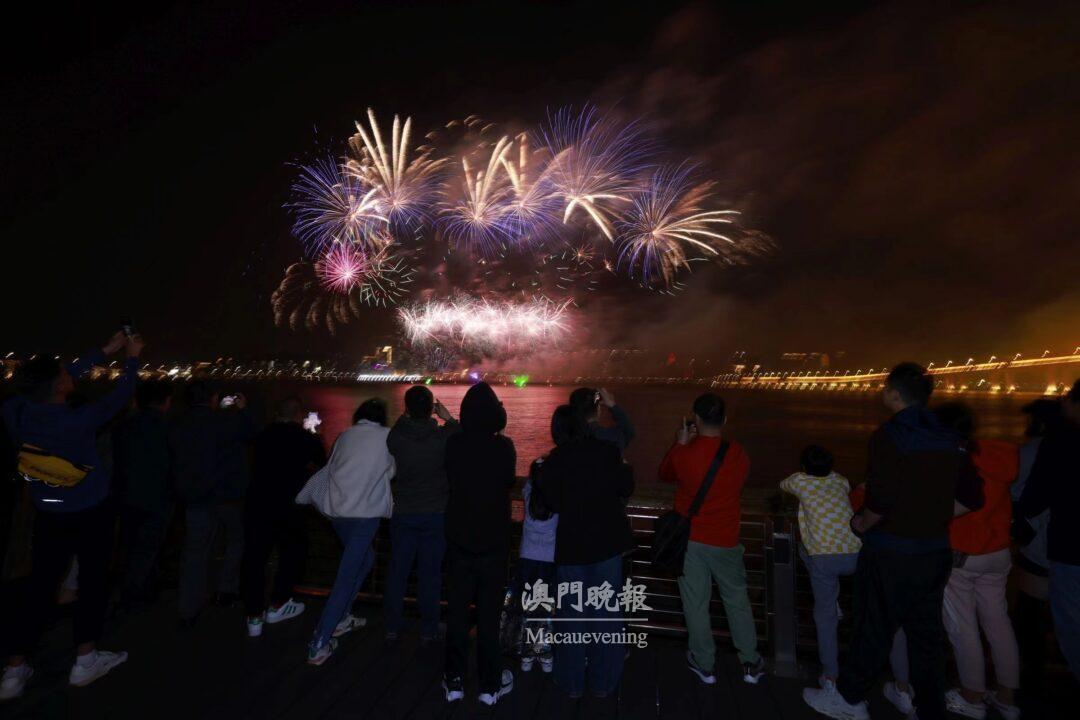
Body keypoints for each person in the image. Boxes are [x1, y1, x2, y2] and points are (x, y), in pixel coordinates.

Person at [804, 362, 984, 720]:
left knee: (872, 627)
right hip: (934, 551)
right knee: (926, 637)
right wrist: (932, 515)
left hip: (892, 551)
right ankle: (929, 708)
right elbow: (972, 496)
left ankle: (849, 700)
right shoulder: (949, 436)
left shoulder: (890, 435)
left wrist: (861, 522)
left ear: (893, 393)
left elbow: (881, 499)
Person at [0, 331, 143, 701]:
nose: (69, 373)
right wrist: (131, 359)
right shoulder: (78, 419)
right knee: (92, 582)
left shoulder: (15, 410)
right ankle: (85, 660)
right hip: (90, 511)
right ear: (58, 386)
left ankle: (13, 670)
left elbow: (49, 382)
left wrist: (105, 351)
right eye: (64, 374)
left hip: (47, 511)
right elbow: (121, 395)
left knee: (38, 587)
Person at [659, 393, 764, 685]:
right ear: (724, 420)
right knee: (737, 601)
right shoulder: (738, 453)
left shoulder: (684, 454)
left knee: (695, 604)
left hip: (691, 540)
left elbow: (665, 474)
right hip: (726, 539)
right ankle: (750, 662)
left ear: (696, 418)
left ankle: (705, 663)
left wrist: (680, 443)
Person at [538, 404, 635, 701]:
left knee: (572, 616)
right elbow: (626, 486)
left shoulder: (553, 462)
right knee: (606, 615)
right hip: (607, 545)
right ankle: (604, 682)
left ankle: (572, 682)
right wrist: (625, 466)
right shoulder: (607, 452)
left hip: (572, 548)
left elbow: (551, 503)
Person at [934, 403, 1020, 720]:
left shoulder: (953, 459)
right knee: (998, 622)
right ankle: (1007, 698)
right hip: (998, 552)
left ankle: (972, 696)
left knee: (963, 626)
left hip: (962, 555)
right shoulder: (999, 456)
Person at [301, 398, 394, 665]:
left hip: (338, 513)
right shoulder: (387, 437)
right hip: (365, 515)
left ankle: (342, 617)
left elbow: (333, 465)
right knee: (347, 574)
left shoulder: (345, 436)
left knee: (366, 559)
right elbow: (391, 471)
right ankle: (319, 641)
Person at [443, 382, 516, 707]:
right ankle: (489, 685)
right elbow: (507, 481)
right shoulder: (505, 448)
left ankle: (454, 680)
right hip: (494, 543)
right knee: (489, 617)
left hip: (459, 540)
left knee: (458, 614)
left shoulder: (454, 445)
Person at [240, 396, 326, 638]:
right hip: (291, 506)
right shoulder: (306, 439)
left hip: (258, 504)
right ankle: (279, 603)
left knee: (255, 559)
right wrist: (316, 436)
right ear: (299, 415)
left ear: (277, 414)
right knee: (293, 554)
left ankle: (254, 616)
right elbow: (323, 464)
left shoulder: (262, 435)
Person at [170, 381, 253, 625]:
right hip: (227, 495)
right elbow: (251, 433)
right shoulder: (224, 421)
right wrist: (243, 410)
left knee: (194, 551)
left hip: (195, 496)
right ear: (214, 398)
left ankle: (188, 607)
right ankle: (226, 590)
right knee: (235, 540)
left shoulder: (178, 423)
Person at [780, 445, 862, 689]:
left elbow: (783, 485)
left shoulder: (799, 481)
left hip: (824, 558)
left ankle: (830, 675)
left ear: (803, 467)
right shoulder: (841, 481)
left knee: (825, 617)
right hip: (857, 552)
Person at [383, 385, 459, 643]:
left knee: (398, 572)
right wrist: (447, 417)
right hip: (436, 514)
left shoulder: (396, 438)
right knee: (431, 575)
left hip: (404, 512)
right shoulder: (441, 438)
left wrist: (406, 416)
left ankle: (392, 625)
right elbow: (461, 435)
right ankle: (429, 628)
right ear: (430, 409)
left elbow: (395, 431)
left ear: (407, 408)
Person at [1018, 379, 1080, 682]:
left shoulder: (1057, 445)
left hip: (1066, 549)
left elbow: (1032, 500)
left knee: (1068, 625)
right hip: (1062, 547)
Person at [1010, 398, 1060, 701]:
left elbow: (1018, 497)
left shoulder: (1030, 452)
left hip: (1039, 548)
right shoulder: (1068, 448)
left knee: (1029, 615)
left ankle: (1031, 679)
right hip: (1065, 548)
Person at [514, 406, 569, 675]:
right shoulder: (556, 497)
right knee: (546, 608)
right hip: (549, 560)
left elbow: (531, 481)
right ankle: (545, 654)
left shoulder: (527, 492)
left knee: (528, 607)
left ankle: (526, 655)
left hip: (527, 558)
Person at [113, 379, 174, 610]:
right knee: (149, 547)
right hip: (158, 496)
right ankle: (135, 594)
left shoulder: (125, 425)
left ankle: (131, 588)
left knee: (130, 545)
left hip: (127, 494)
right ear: (166, 401)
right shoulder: (168, 427)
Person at [568, 387, 634, 453]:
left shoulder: (567, 437)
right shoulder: (609, 437)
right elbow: (627, 432)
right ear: (598, 410)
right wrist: (612, 405)